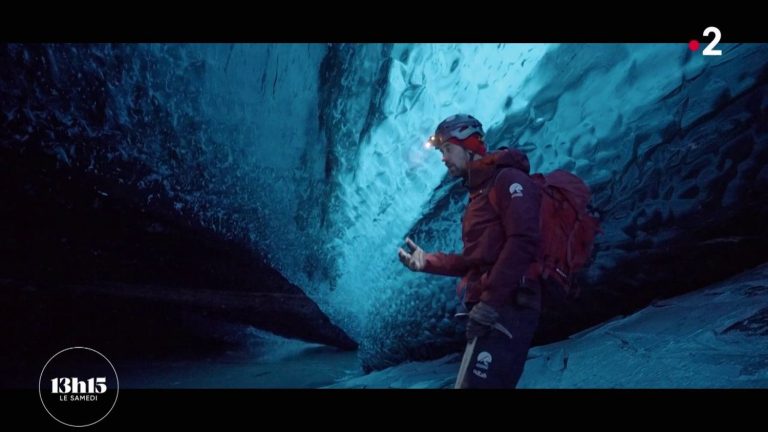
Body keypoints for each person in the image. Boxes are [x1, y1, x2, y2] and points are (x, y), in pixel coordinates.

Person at [397, 114, 542, 388]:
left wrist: (490, 304)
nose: (443, 158)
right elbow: (476, 262)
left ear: (471, 144)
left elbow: (523, 240)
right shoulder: (479, 194)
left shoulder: (508, 180)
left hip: (509, 305)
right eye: (441, 151)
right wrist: (427, 262)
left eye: (447, 149)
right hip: (490, 307)